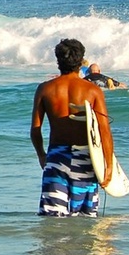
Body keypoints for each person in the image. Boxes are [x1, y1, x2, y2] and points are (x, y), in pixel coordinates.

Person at [31, 38, 113, 217]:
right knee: (86, 219)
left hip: (56, 158)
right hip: (85, 159)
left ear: (58, 60)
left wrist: (41, 155)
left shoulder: (45, 89)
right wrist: (108, 166)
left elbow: (35, 129)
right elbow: (104, 130)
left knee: (52, 218)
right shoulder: (93, 91)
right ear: (81, 61)